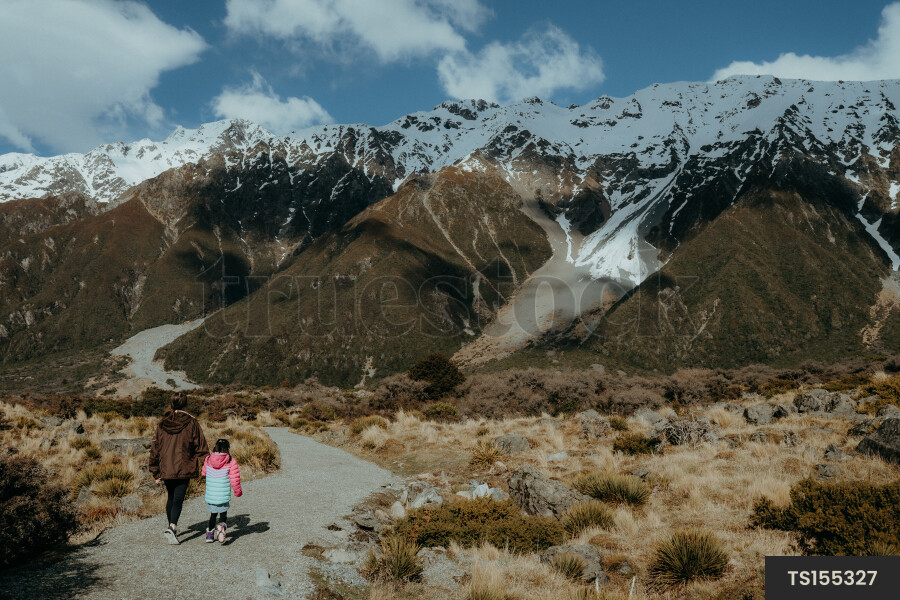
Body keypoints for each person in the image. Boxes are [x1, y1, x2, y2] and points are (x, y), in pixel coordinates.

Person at [149, 393, 209, 545]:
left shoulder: (162, 423)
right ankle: (172, 527)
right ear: (185, 404)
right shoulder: (192, 422)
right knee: (178, 498)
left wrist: (155, 470)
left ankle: (171, 527)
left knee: (171, 496)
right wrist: (209, 466)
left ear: (172, 404)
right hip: (184, 466)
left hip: (166, 466)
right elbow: (201, 446)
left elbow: (155, 448)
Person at [201, 438, 242, 543]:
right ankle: (221, 528)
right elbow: (235, 480)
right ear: (228, 449)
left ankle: (209, 535)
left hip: (211, 494)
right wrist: (238, 492)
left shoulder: (208, 459)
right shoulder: (230, 461)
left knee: (213, 515)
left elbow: (203, 473)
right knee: (223, 513)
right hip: (223, 494)